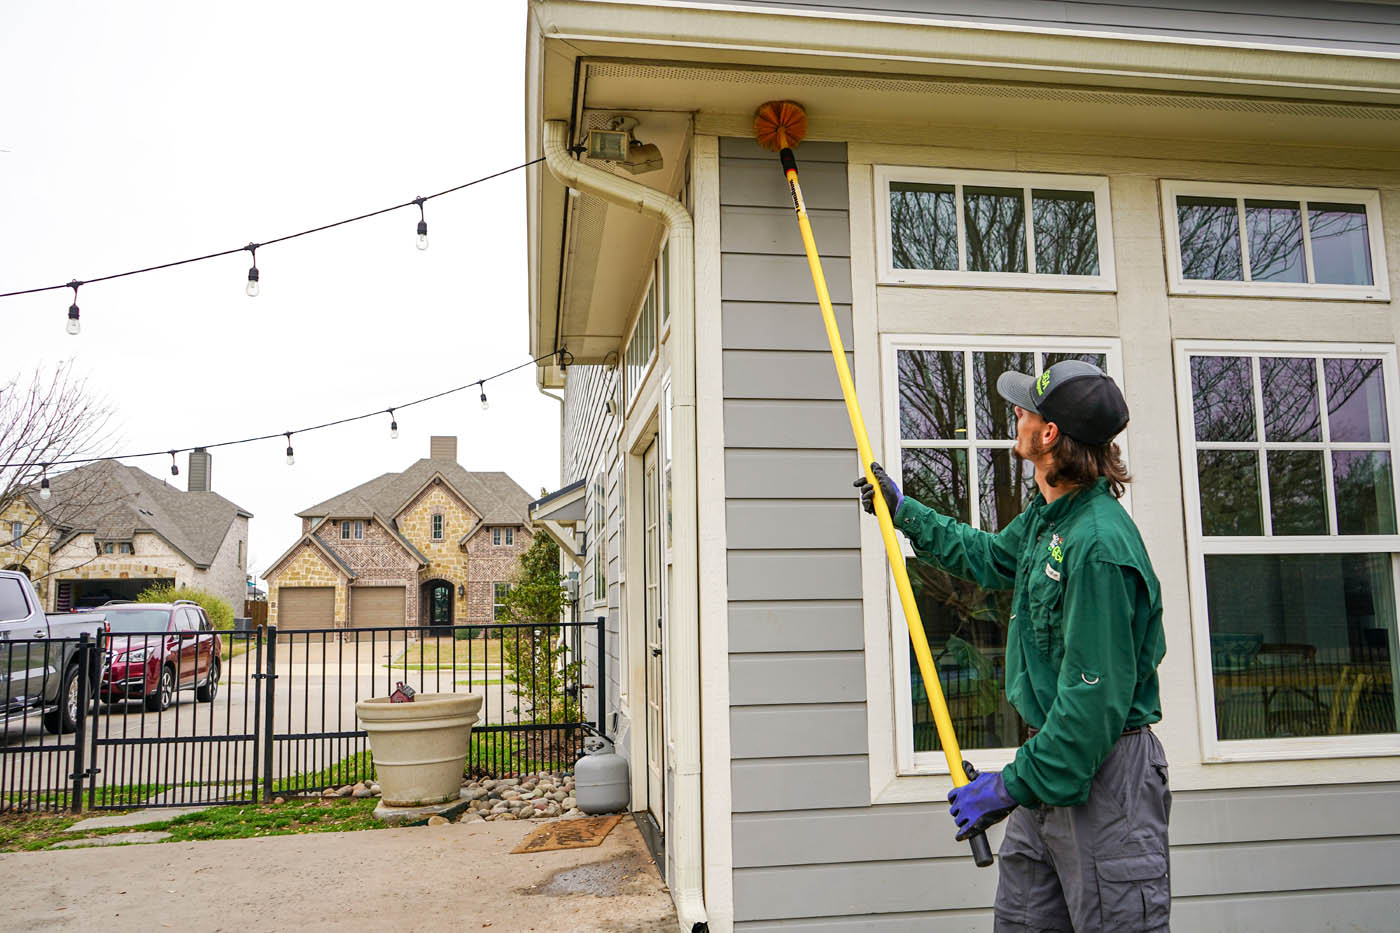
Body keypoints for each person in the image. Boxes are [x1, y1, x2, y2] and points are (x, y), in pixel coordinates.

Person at [855, 360, 1170, 932]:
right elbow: (992, 558)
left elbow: (1090, 709)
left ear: (1048, 434)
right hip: (1048, 771)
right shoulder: (1050, 521)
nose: (1016, 414)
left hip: (1103, 780)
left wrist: (1007, 785)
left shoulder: (1097, 546)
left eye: (1026, 407)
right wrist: (904, 513)